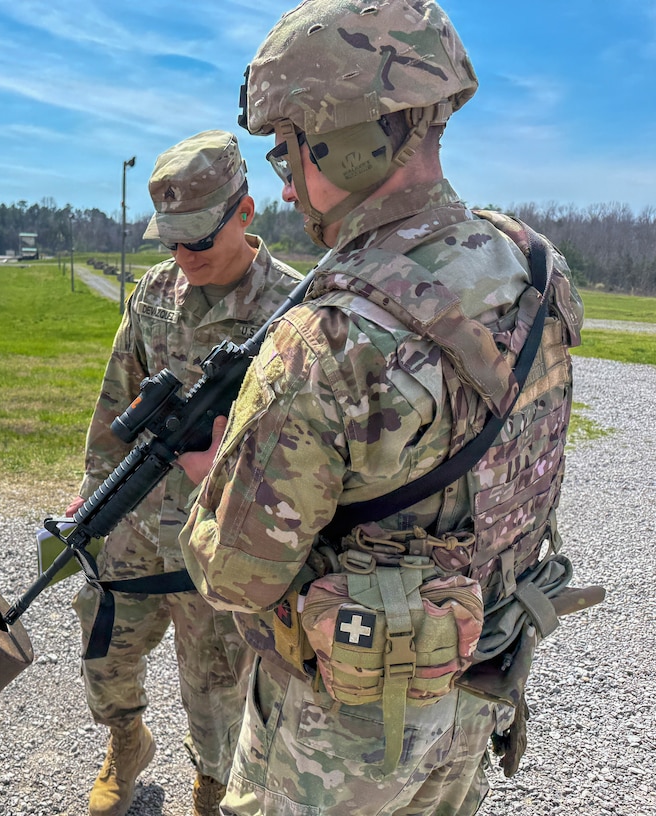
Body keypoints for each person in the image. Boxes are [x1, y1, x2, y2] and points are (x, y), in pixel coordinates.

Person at [178, 2, 593, 815]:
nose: (287, 181)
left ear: (350, 141)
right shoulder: (535, 266)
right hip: (481, 678)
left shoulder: (325, 338)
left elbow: (234, 578)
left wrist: (210, 476)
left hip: (345, 732)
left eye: (289, 151)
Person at [69, 129, 304, 816]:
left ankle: (210, 782)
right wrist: (92, 496)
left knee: (217, 687)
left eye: (197, 239)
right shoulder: (154, 293)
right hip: (139, 524)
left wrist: (228, 464)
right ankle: (127, 743)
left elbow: (309, 453)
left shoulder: (290, 311)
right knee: (104, 646)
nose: (182, 256)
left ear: (246, 213)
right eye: (170, 240)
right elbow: (119, 397)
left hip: (225, 541)